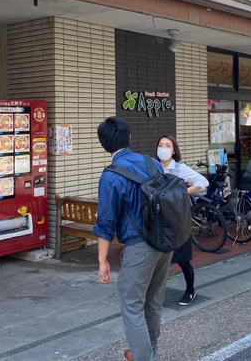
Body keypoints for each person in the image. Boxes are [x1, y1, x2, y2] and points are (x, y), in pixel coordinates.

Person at [94, 117, 172, 361]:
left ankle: (144, 357)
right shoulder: (152, 162)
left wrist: (102, 260)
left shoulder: (110, 176)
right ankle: (147, 352)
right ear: (129, 138)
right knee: (153, 302)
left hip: (139, 247)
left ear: (103, 144)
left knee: (132, 306)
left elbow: (106, 222)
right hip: (164, 241)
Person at [155, 135, 208, 306]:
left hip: (178, 219)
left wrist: (184, 192)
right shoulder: (153, 167)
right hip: (158, 219)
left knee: (182, 258)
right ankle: (154, 294)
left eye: (167, 145)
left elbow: (203, 181)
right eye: (160, 145)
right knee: (156, 259)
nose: (163, 148)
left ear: (174, 150)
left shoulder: (179, 168)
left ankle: (190, 290)